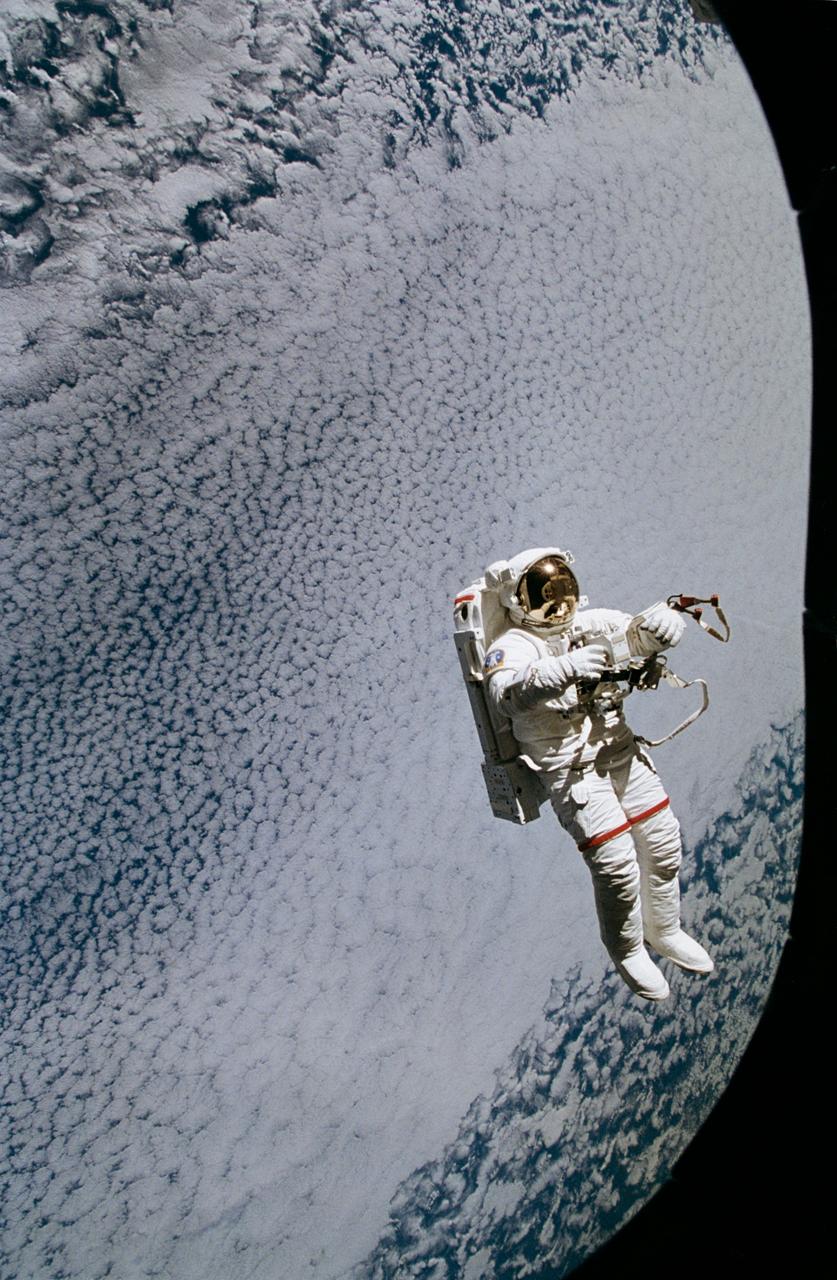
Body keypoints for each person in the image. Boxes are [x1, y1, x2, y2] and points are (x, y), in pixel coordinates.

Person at [482, 546, 714, 1001]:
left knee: (663, 842)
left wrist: (660, 628)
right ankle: (627, 950)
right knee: (617, 866)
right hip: (571, 769)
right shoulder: (512, 647)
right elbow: (505, 695)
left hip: (617, 747)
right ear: (516, 601)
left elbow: (633, 635)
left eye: (564, 589)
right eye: (544, 595)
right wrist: (561, 670)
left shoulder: (589, 624)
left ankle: (665, 929)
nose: (559, 604)